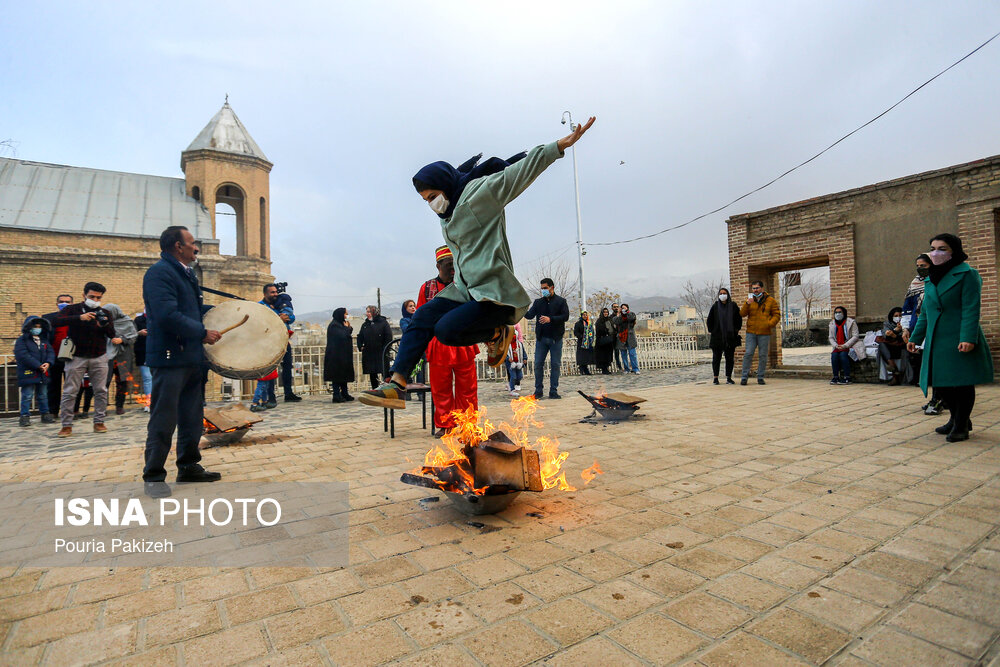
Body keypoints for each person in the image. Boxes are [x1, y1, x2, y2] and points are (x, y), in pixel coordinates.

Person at [360, 117, 596, 409]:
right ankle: (397, 384)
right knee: (422, 318)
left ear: (445, 186)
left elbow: (518, 174)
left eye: (433, 196)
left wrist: (558, 146)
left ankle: (499, 331)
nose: (432, 205)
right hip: (465, 290)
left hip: (493, 294)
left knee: (446, 331)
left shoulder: (479, 194)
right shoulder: (447, 215)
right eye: (426, 201)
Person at [142, 226, 223, 498]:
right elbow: (166, 315)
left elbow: (191, 310)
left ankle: (189, 466)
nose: (196, 248)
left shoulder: (185, 273)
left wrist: (223, 311)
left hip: (190, 358)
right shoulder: (159, 273)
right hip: (170, 358)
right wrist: (202, 333)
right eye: (191, 243)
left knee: (191, 418)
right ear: (178, 246)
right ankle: (153, 477)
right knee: (164, 419)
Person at [907, 233, 993, 443]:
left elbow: (971, 308)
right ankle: (955, 418)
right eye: (933, 248)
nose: (936, 252)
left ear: (954, 251)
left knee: (961, 383)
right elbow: (926, 312)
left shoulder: (968, 274)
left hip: (959, 337)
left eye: (942, 248)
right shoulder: (931, 278)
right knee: (943, 384)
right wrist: (916, 337)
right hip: (937, 339)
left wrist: (968, 337)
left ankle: (962, 424)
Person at [417, 246, 480, 434]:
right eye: (449, 265)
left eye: (455, 264)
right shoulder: (427, 288)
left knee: (468, 388)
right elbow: (420, 317)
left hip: (464, 342)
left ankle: (467, 424)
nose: (453, 269)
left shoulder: (465, 285)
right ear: (438, 266)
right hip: (438, 345)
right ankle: (446, 425)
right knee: (441, 389)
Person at [56, 282, 119, 436]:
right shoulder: (73, 309)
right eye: (92, 296)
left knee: (101, 390)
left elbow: (111, 333)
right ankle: (66, 425)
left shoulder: (105, 312)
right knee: (70, 391)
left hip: (99, 355)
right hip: (76, 356)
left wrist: (102, 324)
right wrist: (79, 318)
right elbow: (55, 321)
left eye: (98, 297)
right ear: (84, 295)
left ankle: (99, 422)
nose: (95, 299)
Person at [526, 278, 570, 399]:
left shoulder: (561, 301)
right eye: (542, 288)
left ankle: (553, 391)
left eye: (545, 288)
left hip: (556, 339)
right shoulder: (538, 302)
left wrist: (551, 319)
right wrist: (520, 307)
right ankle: (538, 390)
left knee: (555, 365)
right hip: (541, 339)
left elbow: (565, 316)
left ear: (552, 287)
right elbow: (529, 315)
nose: (543, 290)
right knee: (538, 364)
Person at [260, 284, 302, 403]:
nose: (275, 294)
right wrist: (279, 319)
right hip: (269, 341)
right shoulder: (261, 306)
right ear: (265, 294)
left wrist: (287, 316)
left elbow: (292, 317)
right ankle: (270, 395)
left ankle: (288, 393)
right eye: (272, 292)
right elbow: (262, 322)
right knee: (270, 369)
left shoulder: (280, 303)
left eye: (275, 292)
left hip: (283, 340)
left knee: (287, 367)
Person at [14, 316, 56, 427]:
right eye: (34, 326)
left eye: (39, 327)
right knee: (27, 395)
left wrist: (48, 363)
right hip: (28, 373)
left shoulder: (44, 340)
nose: (37, 329)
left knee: (43, 395)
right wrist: (38, 365)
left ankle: (45, 414)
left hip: (43, 373)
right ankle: (24, 416)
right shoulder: (22, 340)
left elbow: (50, 353)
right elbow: (23, 355)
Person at [739, 280, 780, 385]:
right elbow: (742, 314)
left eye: (757, 288)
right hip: (751, 332)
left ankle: (760, 377)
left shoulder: (770, 300)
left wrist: (769, 324)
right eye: (753, 288)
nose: (755, 290)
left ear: (762, 288)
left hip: (764, 332)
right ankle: (744, 377)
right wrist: (747, 304)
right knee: (748, 353)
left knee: (763, 355)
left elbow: (776, 315)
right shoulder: (749, 300)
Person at [901, 255, 931, 390]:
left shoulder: (939, 282)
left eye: (923, 266)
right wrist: (905, 328)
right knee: (918, 357)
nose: (920, 269)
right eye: (918, 266)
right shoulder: (914, 284)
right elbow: (907, 308)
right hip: (917, 325)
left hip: (933, 326)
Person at [103, 303, 138, 415]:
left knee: (123, 382)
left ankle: (119, 406)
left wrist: (122, 340)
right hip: (106, 357)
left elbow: (133, 336)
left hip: (123, 357)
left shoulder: (127, 322)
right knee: (104, 383)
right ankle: (102, 408)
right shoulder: (103, 322)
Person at [42, 294, 73, 418]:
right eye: (61, 301)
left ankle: (71, 411)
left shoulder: (77, 318)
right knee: (53, 386)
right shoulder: (48, 318)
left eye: (67, 302)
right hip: (53, 357)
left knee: (71, 387)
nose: (64, 303)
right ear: (57, 303)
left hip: (71, 357)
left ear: (72, 304)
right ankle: (53, 412)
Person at [706, 288, 743, 384]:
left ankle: (729, 377)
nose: (723, 295)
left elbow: (738, 319)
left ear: (728, 295)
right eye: (721, 293)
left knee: (729, 358)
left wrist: (735, 330)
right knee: (716, 358)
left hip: (730, 337)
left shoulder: (733, 306)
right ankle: (715, 377)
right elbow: (710, 320)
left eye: (724, 293)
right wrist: (712, 330)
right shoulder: (715, 306)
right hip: (717, 337)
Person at [357, 305, 393, 390]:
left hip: (381, 352)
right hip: (369, 353)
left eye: (369, 312)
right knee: (372, 373)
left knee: (384, 372)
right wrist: (360, 346)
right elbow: (360, 336)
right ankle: (375, 390)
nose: (367, 314)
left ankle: (387, 389)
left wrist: (385, 349)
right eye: (367, 312)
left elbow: (388, 337)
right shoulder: (365, 324)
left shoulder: (383, 323)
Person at [324, 307, 356, 403]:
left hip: (343, 355)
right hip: (336, 356)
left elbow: (346, 334)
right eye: (345, 313)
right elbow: (342, 335)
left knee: (343, 375)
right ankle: (336, 395)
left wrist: (348, 328)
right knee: (337, 376)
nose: (347, 315)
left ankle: (344, 393)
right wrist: (347, 328)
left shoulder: (340, 324)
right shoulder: (334, 325)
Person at [828, 306, 862, 385]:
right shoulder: (832, 324)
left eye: (840, 312)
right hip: (837, 346)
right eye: (836, 312)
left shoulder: (851, 322)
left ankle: (847, 377)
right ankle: (836, 377)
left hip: (849, 345)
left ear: (844, 313)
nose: (838, 314)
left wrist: (846, 345)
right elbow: (831, 337)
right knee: (834, 356)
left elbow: (855, 336)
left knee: (843, 355)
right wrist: (836, 345)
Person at [878, 307, 906, 386]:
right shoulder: (887, 323)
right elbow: (886, 334)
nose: (898, 317)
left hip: (901, 346)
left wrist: (895, 335)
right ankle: (892, 365)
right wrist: (895, 330)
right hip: (891, 347)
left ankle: (895, 372)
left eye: (900, 315)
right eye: (896, 315)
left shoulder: (906, 324)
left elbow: (903, 338)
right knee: (881, 345)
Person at [133, 310, 151, 412]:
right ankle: (149, 403)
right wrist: (139, 333)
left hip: (157, 352)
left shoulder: (158, 318)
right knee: (147, 378)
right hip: (142, 352)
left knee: (158, 378)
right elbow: (131, 335)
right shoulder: (138, 320)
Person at [614, 304, 639, 374]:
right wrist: (619, 313)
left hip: (630, 337)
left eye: (624, 308)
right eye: (622, 308)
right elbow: (616, 321)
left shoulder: (631, 314)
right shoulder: (619, 317)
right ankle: (626, 368)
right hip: (622, 337)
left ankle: (635, 368)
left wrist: (627, 312)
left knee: (632, 354)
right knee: (623, 354)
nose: (623, 309)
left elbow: (631, 318)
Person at [504, 323, 526, 396]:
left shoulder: (519, 344)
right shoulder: (507, 345)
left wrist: (524, 359)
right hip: (511, 363)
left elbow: (523, 352)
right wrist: (508, 359)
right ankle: (512, 389)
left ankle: (512, 385)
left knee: (519, 376)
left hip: (518, 361)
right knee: (513, 376)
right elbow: (505, 354)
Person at [594, 307, 615, 374]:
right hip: (602, 341)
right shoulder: (599, 321)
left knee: (608, 355)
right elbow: (599, 330)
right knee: (602, 356)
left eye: (607, 312)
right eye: (604, 312)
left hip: (609, 341)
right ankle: (604, 369)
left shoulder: (609, 320)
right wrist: (605, 330)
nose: (606, 313)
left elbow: (612, 329)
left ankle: (607, 368)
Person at [573, 311, 595, 375]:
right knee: (581, 356)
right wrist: (581, 336)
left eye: (586, 315)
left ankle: (585, 368)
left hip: (588, 342)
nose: (585, 316)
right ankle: (581, 368)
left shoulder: (588, 323)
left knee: (586, 356)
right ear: (581, 316)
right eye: (583, 315)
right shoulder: (578, 323)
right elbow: (576, 332)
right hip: (581, 342)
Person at [610, 303, 626, 372]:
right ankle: (619, 367)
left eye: (617, 307)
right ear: (612, 308)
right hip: (614, 337)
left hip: (622, 336)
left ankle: (626, 366)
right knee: (616, 353)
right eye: (614, 307)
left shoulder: (622, 315)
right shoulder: (610, 317)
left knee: (624, 352)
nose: (616, 308)